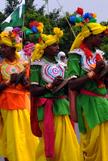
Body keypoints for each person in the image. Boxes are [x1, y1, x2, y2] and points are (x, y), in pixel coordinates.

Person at [67, 8, 108, 161]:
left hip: (103, 101)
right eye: (100, 36)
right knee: (93, 143)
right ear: (89, 37)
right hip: (88, 102)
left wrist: (107, 74)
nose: (102, 39)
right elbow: (72, 84)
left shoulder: (99, 55)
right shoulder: (75, 56)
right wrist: (93, 73)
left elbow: (101, 81)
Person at [28, 23, 81, 161]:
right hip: (46, 108)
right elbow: (33, 90)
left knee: (67, 142)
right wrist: (50, 86)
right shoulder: (36, 65)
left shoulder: (62, 66)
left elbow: (67, 88)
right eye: (54, 45)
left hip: (62, 106)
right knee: (50, 142)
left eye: (58, 45)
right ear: (45, 48)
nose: (58, 48)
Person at [0, 27, 38, 161]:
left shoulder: (24, 64)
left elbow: (30, 87)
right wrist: (8, 82)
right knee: (11, 136)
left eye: (5, 47)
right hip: (7, 104)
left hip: (23, 104)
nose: (1, 49)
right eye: (1, 47)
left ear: (13, 48)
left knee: (25, 134)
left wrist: (25, 82)